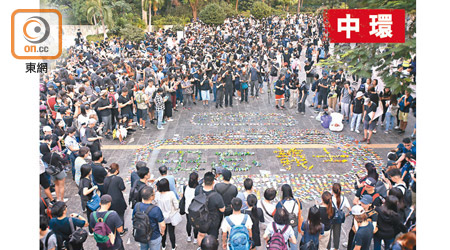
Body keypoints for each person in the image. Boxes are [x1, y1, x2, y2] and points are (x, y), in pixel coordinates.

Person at [194, 172, 225, 246]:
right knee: (212, 238)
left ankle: (201, 247)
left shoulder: (198, 190)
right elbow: (222, 209)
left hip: (201, 218)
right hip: (213, 220)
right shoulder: (217, 196)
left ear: (203, 181)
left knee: (201, 234)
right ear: (213, 182)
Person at [132, 186, 166, 250]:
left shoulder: (137, 205)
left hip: (141, 234)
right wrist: (162, 232)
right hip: (154, 236)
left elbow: (133, 218)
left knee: (143, 248)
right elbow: (162, 225)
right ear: (151, 197)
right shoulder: (156, 209)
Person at [155, 178, 179, 250]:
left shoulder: (157, 194)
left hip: (161, 216)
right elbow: (176, 205)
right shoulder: (171, 194)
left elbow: (154, 202)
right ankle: (173, 247)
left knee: (163, 231)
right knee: (171, 232)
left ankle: (163, 246)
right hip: (171, 216)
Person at [275, 184, 302, 250]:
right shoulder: (297, 202)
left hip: (284, 225)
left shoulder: (280, 203)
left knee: (284, 242)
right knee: (294, 241)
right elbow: (300, 211)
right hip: (294, 224)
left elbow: (277, 213)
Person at [104, 163, 128, 235]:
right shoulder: (118, 179)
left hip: (109, 201)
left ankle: (113, 229)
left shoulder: (105, 179)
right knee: (120, 215)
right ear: (116, 171)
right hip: (118, 200)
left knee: (111, 215)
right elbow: (123, 188)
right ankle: (121, 231)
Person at [329, 183, 351, 250]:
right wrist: (345, 215)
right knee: (337, 235)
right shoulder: (344, 199)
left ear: (332, 190)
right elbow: (351, 210)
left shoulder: (330, 199)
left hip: (330, 218)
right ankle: (336, 248)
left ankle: (328, 248)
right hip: (338, 219)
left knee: (328, 235)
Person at [78, 164, 98, 233]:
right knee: (90, 216)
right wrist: (93, 188)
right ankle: (91, 230)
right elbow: (85, 192)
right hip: (88, 201)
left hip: (86, 201)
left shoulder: (83, 179)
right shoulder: (86, 181)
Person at [183, 172, 199, 244]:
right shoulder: (198, 189)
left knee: (188, 223)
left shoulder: (185, 187)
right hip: (196, 209)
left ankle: (189, 236)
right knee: (196, 224)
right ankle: (195, 238)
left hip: (187, 209)